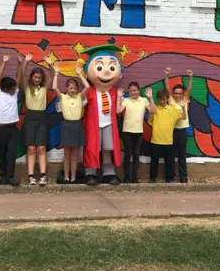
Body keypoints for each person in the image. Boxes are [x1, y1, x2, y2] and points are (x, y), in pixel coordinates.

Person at [80, 44, 123, 185]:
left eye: (111, 68)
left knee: (107, 149)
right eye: (99, 67)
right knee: (92, 148)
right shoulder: (90, 91)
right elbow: (80, 105)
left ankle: (108, 173)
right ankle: (90, 173)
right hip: (93, 126)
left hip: (109, 125)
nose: (105, 72)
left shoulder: (114, 92)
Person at [21, 52, 55, 186]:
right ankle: (30, 176)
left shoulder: (44, 88)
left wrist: (50, 63)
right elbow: (23, 75)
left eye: (39, 77)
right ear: (32, 77)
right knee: (31, 148)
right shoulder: (27, 88)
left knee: (41, 148)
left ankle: (42, 176)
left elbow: (52, 75)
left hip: (41, 118)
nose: (36, 79)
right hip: (30, 118)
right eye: (35, 77)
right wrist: (27, 61)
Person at [53, 64, 90, 183]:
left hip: (77, 126)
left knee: (75, 157)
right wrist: (56, 73)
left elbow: (88, 86)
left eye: (74, 88)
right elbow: (54, 87)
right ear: (67, 88)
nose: (72, 90)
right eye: (70, 88)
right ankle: (66, 177)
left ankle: (73, 178)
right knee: (67, 156)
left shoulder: (79, 97)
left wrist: (79, 74)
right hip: (67, 126)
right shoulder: (63, 97)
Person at [0, 52, 22, 186]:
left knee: (11, 153)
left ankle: (10, 176)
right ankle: (3, 177)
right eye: (11, 88)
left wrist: (19, 64)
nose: (14, 89)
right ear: (5, 88)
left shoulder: (14, 94)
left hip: (13, 128)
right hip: (1, 129)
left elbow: (18, 77)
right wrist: (4, 63)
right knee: (2, 153)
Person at [148, 88, 186, 183]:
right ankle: (152, 178)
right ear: (158, 99)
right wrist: (150, 98)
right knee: (154, 162)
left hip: (168, 141)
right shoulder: (155, 109)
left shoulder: (172, 109)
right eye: (160, 99)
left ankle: (169, 179)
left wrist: (183, 107)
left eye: (164, 99)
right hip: (155, 140)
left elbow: (184, 117)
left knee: (169, 162)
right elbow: (151, 113)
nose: (162, 101)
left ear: (167, 98)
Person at [117, 83, 151, 183]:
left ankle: (134, 178)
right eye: (131, 91)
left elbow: (152, 110)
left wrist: (151, 98)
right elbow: (118, 110)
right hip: (127, 131)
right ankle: (127, 177)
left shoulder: (144, 100)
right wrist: (119, 98)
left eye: (135, 90)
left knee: (136, 154)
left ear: (139, 90)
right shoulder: (126, 100)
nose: (133, 92)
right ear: (129, 91)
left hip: (138, 131)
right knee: (128, 153)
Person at [164, 68, 194, 183]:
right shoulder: (171, 101)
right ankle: (170, 177)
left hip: (182, 132)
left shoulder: (185, 100)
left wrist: (190, 78)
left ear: (183, 94)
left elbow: (190, 89)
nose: (177, 95)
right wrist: (167, 76)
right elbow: (167, 88)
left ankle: (183, 177)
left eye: (180, 93)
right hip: (172, 132)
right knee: (170, 156)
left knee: (182, 156)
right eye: (175, 93)